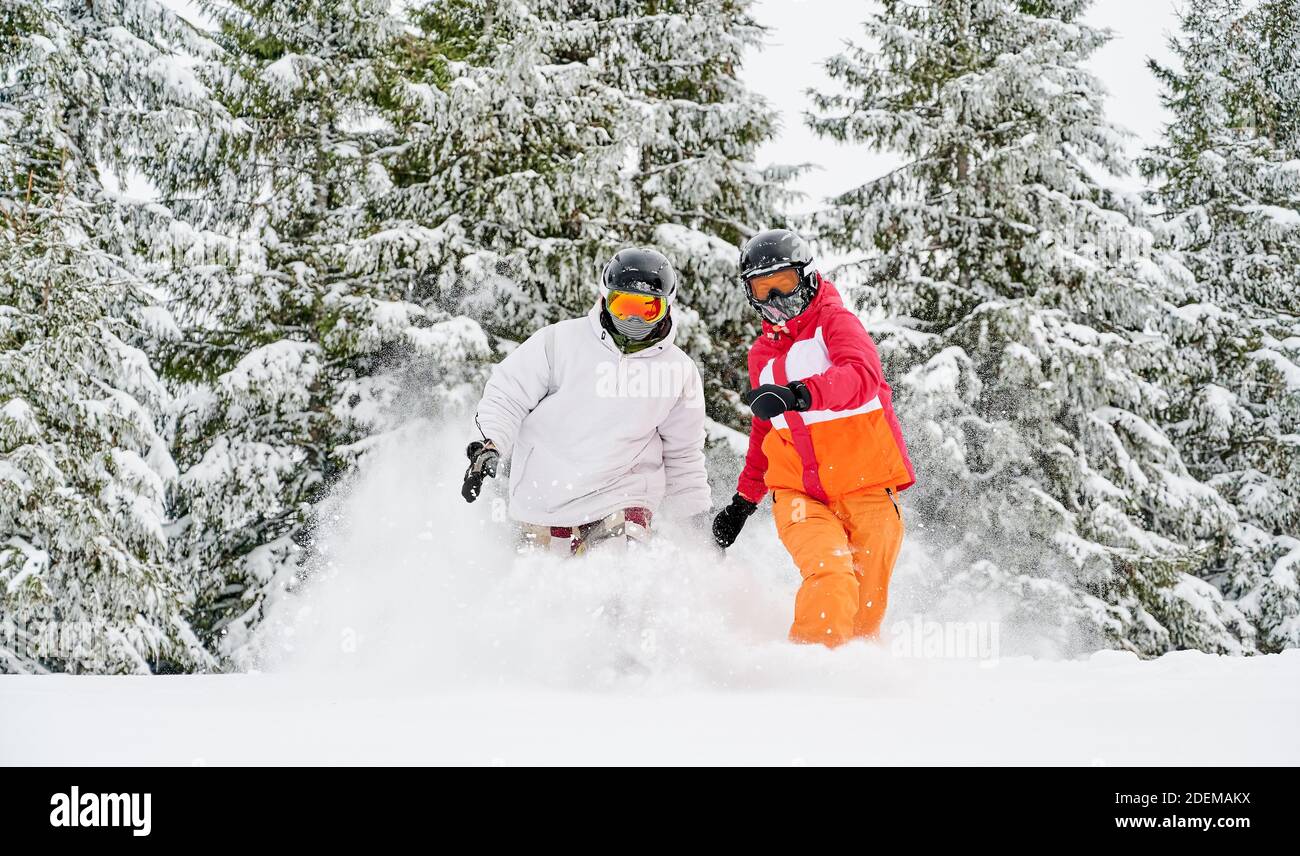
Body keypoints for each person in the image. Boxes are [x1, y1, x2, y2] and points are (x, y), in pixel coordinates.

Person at [711, 229, 915, 646]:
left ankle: (850, 687)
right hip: (799, 495)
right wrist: (743, 503)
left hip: (868, 489)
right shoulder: (762, 356)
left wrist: (801, 394)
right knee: (831, 575)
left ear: (806, 277)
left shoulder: (835, 323)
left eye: (783, 284)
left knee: (864, 615)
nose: (774, 301)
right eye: (761, 289)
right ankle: (806, 677)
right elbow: (765, 431)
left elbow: (862, 375)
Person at [462, 248, 711, 555]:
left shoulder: (678, 370)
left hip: (623, 496)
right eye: (623, 306)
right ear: (605, 299)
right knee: (551, 595)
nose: (633, 318)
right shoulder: (558, 343)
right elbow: (507, 396)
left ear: (667, 307)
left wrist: (696, 524)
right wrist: (488, 445)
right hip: (546, 501)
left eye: (647, 308)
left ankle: (625, 598)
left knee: (618, 575)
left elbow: (683, 454)